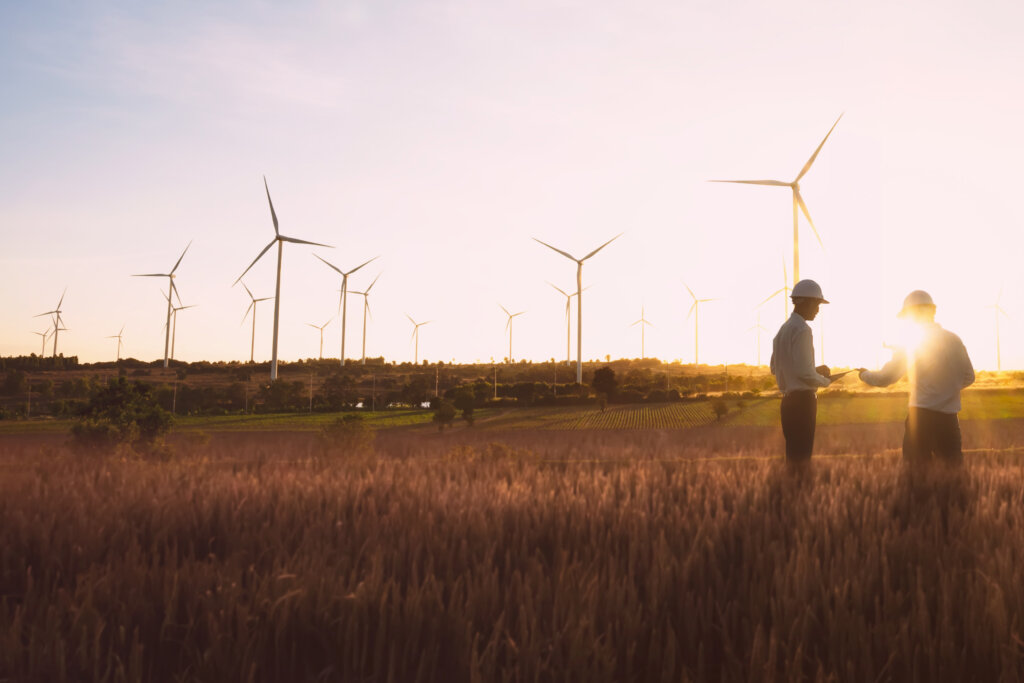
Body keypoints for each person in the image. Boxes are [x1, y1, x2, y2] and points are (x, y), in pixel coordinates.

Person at [858, 290, 974, 464]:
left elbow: (886, 378)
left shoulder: (910, 342)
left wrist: (864, 374)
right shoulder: (954, 339)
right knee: (953, 476)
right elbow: (969, 377)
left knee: (916, 475)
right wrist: (947, 389)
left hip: (921, 419)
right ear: (932, 311)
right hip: (950, 421)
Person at [770, 279, 833, 462]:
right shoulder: (803, 330)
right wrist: (825, 381)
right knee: (803, 459)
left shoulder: (782, 330)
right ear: (805, 302)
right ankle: (800, 489)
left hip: (787, 405)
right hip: (803, 404)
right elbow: (804, 373)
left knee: (793, 457)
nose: (818, 310)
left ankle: (792, 490)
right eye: (816, 304)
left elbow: (776, 368)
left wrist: (813, 369)